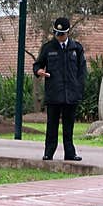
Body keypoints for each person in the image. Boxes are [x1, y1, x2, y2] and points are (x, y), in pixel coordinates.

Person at [33, 17, 87, 161]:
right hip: (54, 93)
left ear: (68, 32)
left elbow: (82, 72)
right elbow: (37, 65)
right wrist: (39, 72)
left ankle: (70, 153)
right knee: (52, 126)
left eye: (62, 34)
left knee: (68, 127)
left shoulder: (77, 48)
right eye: (57, 33)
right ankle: (48, 152)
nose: (59, 37)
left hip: (71, 94)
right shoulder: (48, 48)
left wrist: (79, 89)